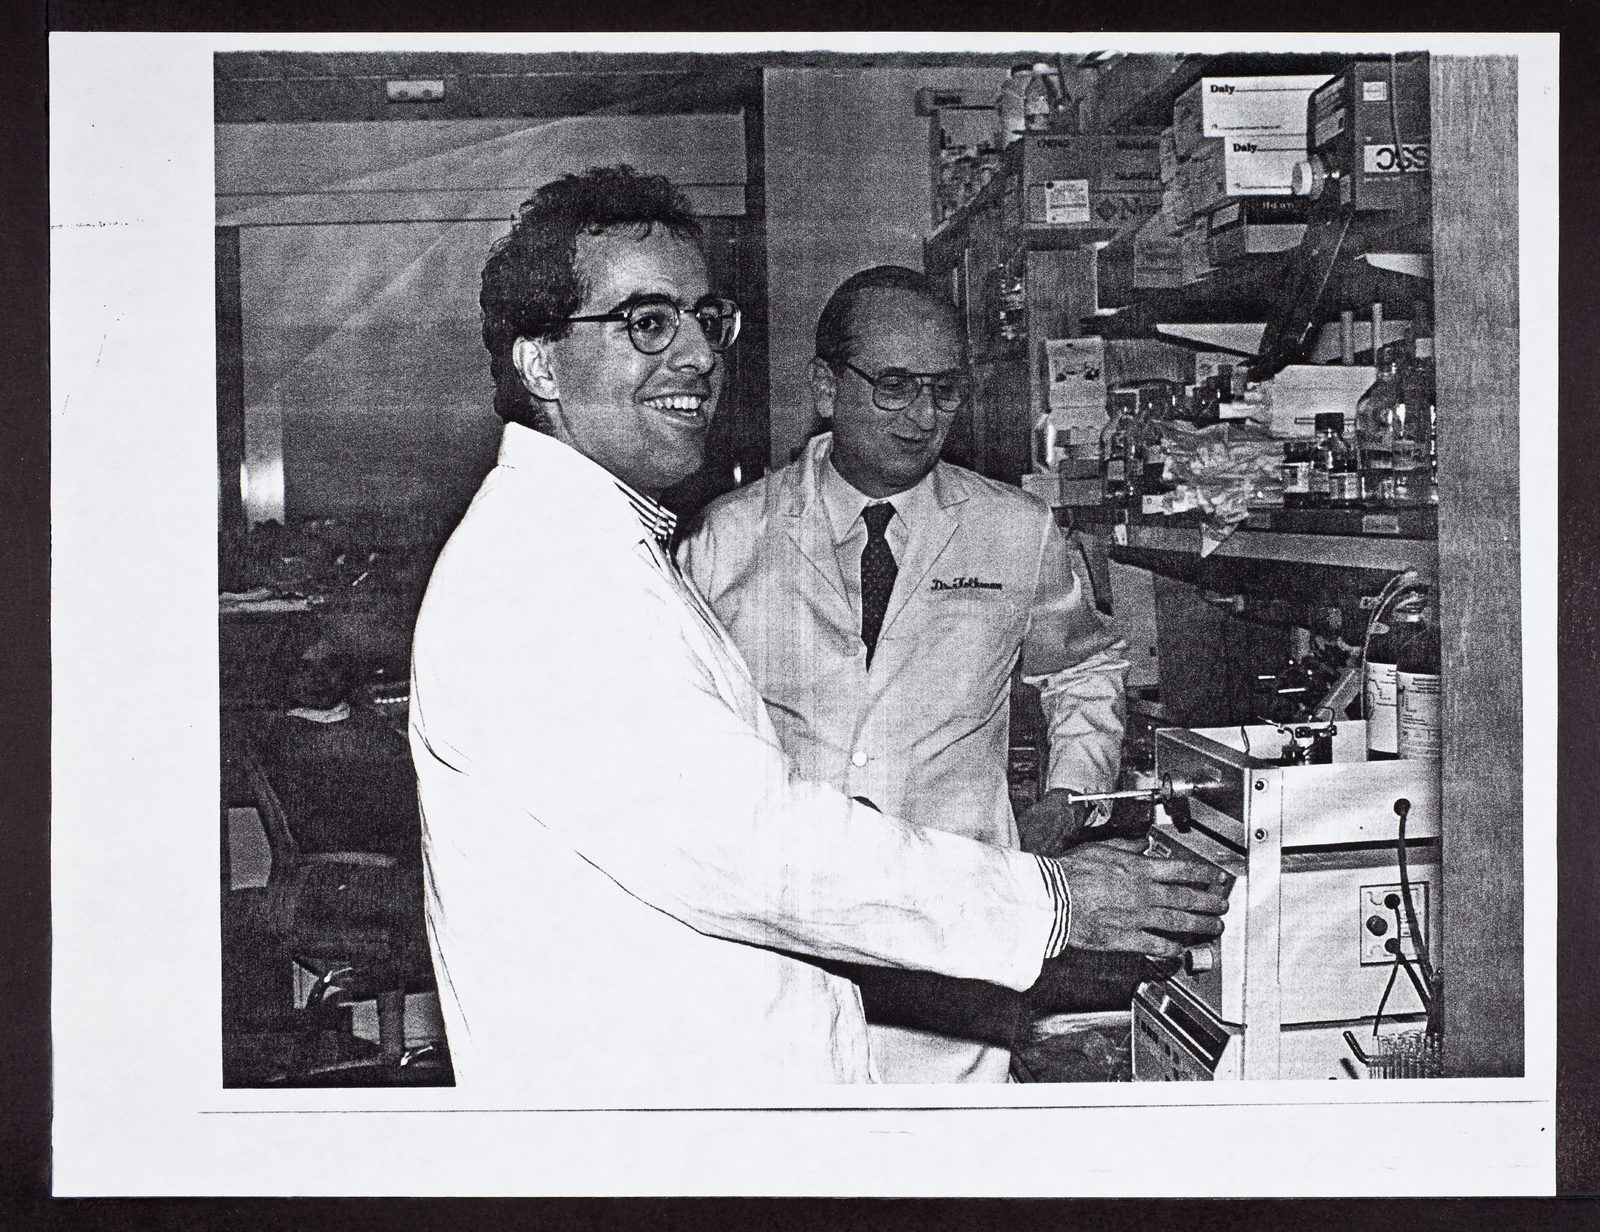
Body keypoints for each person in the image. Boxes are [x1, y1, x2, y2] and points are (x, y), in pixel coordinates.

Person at [407, 165, 1228, 1103]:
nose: (697, 355)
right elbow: (749, 845)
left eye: (703, 319)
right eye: (645, 323)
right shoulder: (543, 580)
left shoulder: (603, 552)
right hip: (657, 1123)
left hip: (788, 1056)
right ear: (541, 365)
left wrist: (1062, 817)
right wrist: (1053, 901)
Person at [677, 266, 1129, 1082]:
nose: (923, 418)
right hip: (782, 946)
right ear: (826, 387)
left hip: (957, 951)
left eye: (944, 389)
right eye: (894, 386)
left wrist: (1071, 793)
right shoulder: (725, 540)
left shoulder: (1015, 530)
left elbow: (1086, 666)